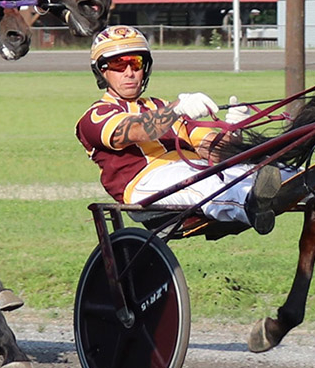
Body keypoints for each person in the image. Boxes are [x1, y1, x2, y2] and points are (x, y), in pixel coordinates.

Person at [75, 25, 287, 235]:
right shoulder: (95, 116)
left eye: (135, 63)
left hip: (195, 168)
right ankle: (251, 208)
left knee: (261, 171)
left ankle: (311, 187)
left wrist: (234, 132)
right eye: (118, 65)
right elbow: (137, 130)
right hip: (145, 184)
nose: (129, 73)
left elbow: (211, 149)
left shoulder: (162, 105)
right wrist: (176, 109)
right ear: (102, 71)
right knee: (203, 181)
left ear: (145, 67)